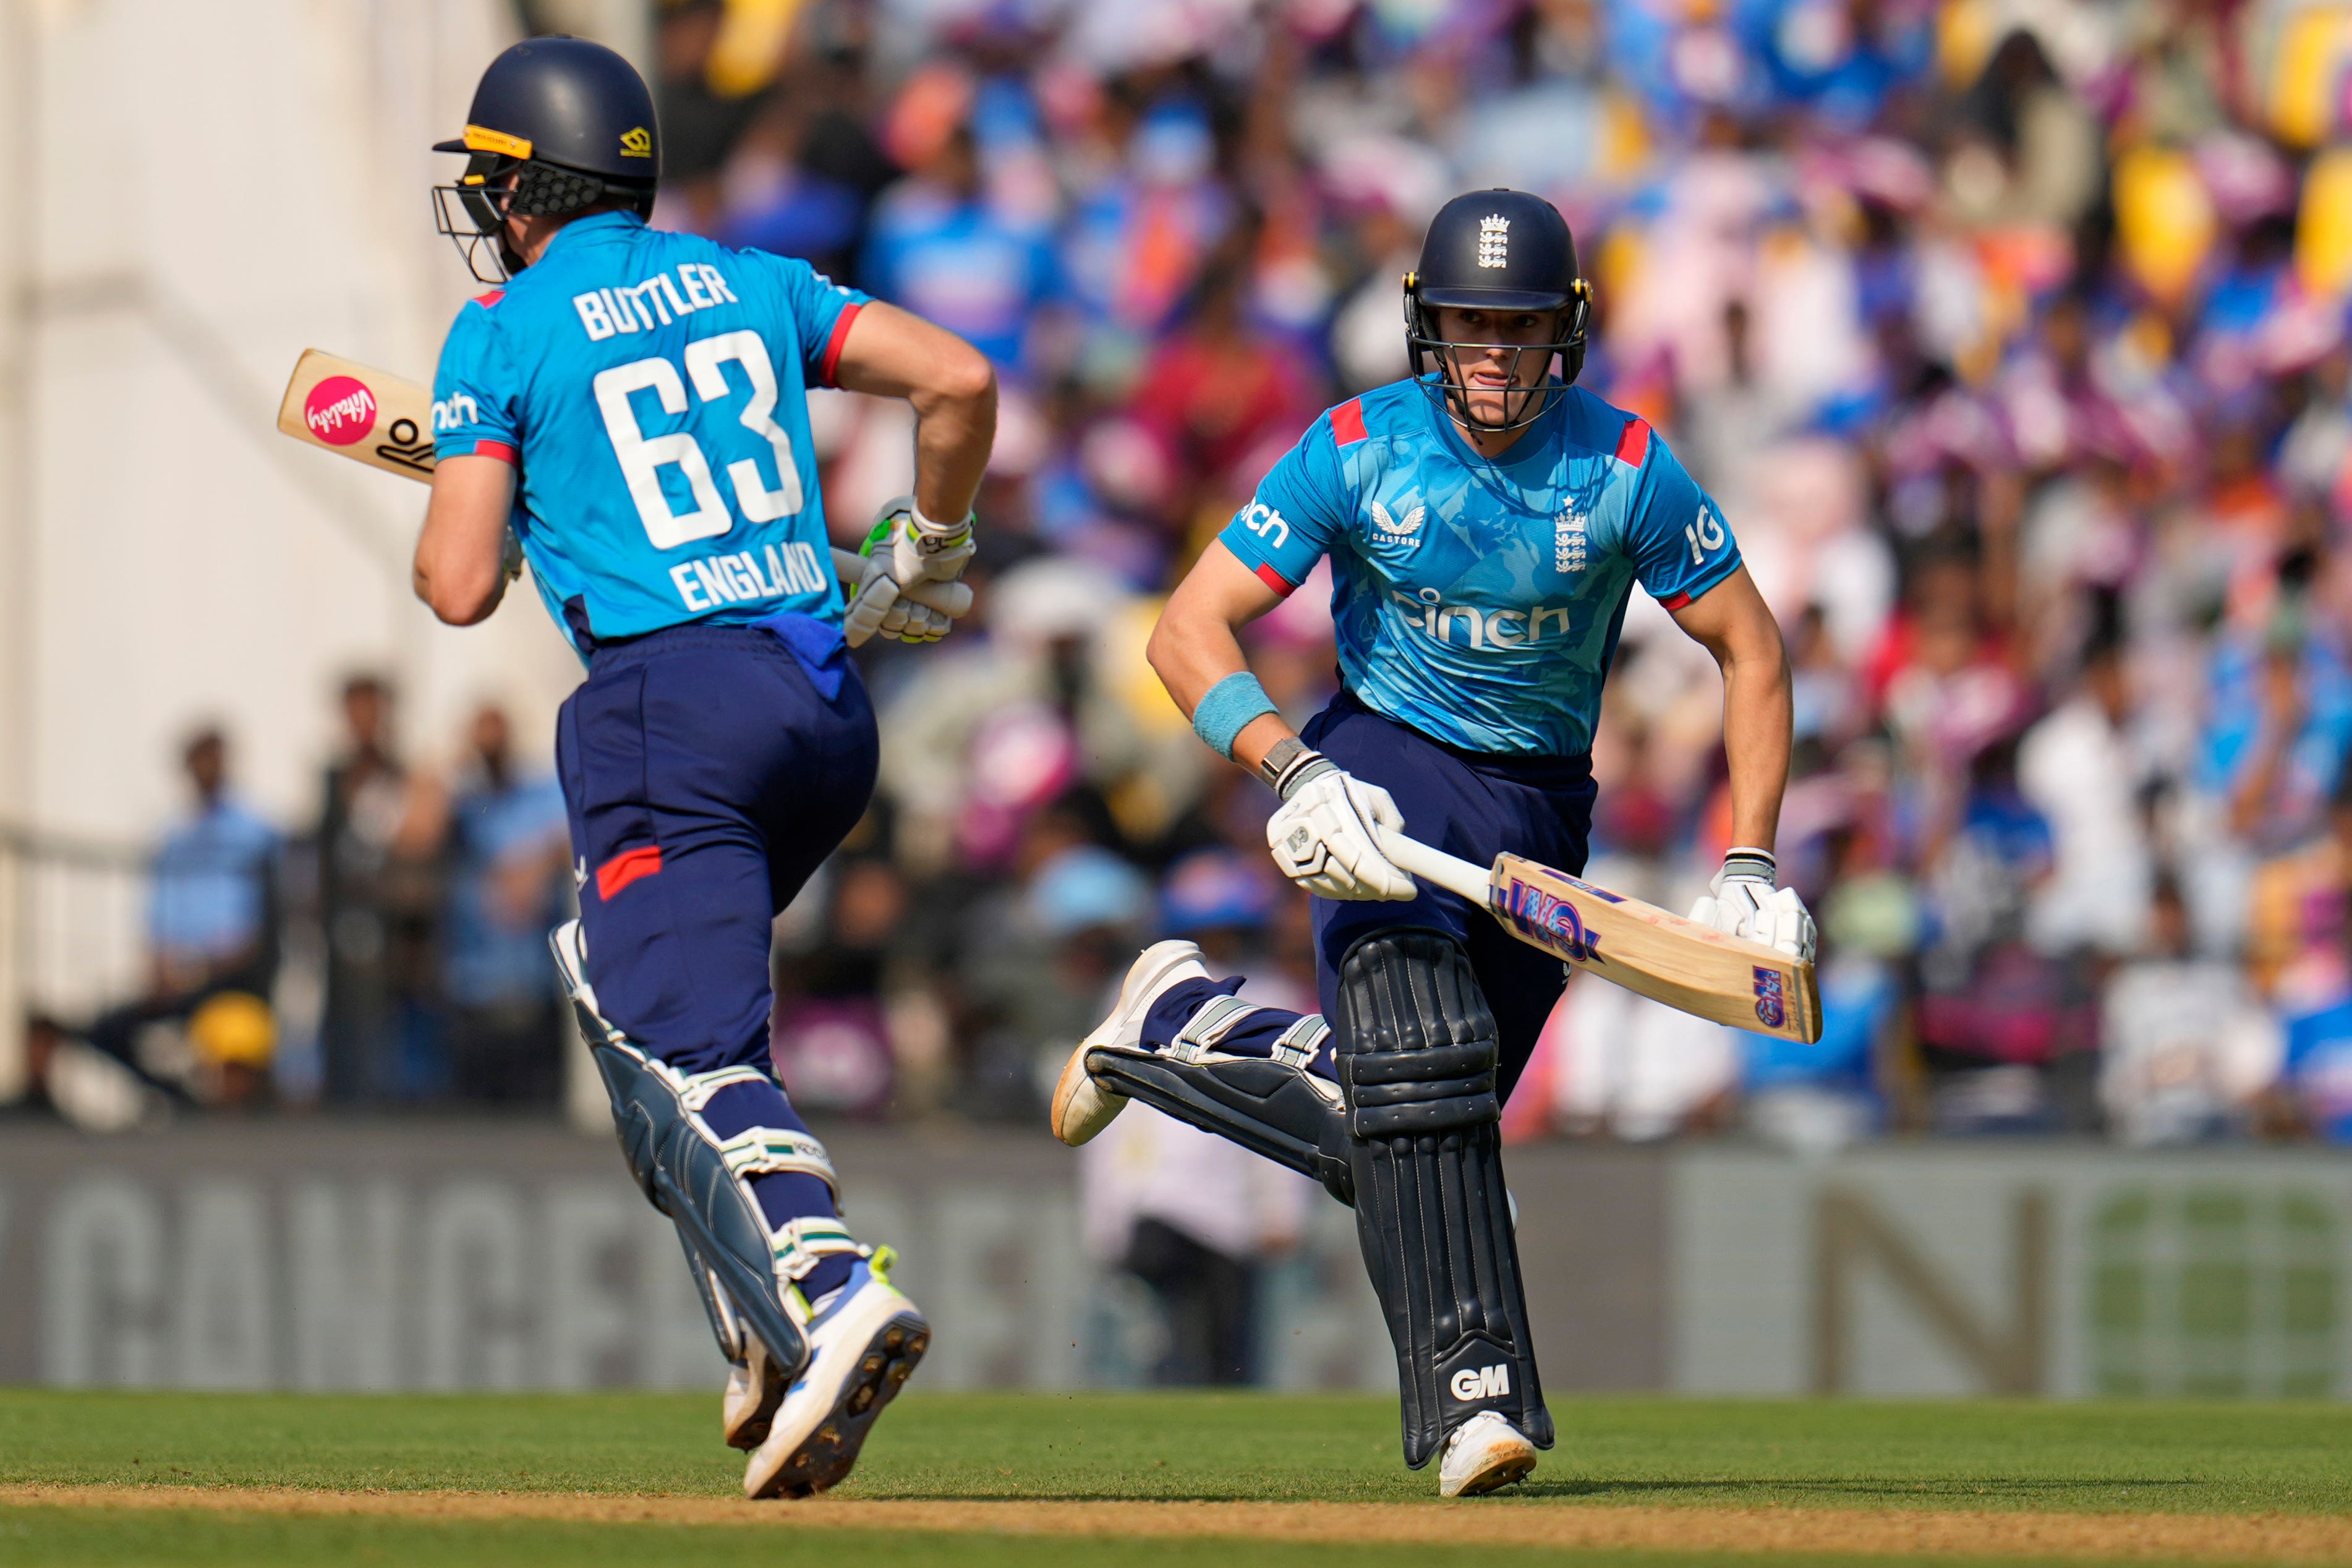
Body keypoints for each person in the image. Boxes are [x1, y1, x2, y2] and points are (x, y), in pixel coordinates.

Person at [1049, 189, 1812, 1496]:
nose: (1494, 356)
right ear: (1427, 326)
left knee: (1400, 1132)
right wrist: (1291, 768)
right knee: (1425, 1076)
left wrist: (1748, 863)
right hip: (1385, 771)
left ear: (1564, 333)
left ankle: (1186, 1025)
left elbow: (1750, 646)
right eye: (1470, 325)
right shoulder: (1354, 448)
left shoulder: (1626, 466)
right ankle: (1478, 1399)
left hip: (1541, 808)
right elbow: (1187, 627)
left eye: (1519, 329)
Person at [412, 36, 995, 1499]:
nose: (482, 204)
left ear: (529, 185)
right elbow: (959, 381)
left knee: (689, 1039)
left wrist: (488, 455)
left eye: (492, 178)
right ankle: (749, 1311)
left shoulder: (503, 325)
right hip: (819, 705)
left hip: (668, 708)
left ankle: (826, 1290)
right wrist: (927, 542)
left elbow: (460, 580)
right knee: (621, 983)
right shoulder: (752, 277)